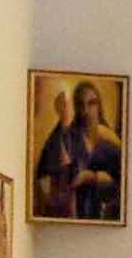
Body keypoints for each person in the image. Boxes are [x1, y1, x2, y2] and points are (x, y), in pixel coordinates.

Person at [35, 78, 124, 221]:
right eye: (81, 105)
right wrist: (63, 122)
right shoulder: (68, 136)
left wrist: (92, 177)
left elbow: (123, 181)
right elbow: (53, 176)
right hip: (72, 214)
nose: (86, 111)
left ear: (99, 106)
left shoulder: (109, 141)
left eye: (91, 104)